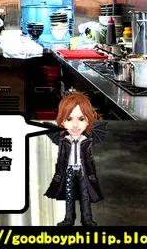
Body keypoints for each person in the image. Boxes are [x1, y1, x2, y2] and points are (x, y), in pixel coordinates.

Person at [44, 92, 105, 226]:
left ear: (89, 120)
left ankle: (87, 219)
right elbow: (61, 159)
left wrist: (92, 175)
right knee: (69, 196)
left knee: (85, 196)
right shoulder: (64, 141)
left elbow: (89, 159)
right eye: (69, 119)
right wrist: (58, 174)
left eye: (81, 119)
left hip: (83, 172)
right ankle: (69, 219)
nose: (75, 125)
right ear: (62, 121)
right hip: (69, 171)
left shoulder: (86, 141)